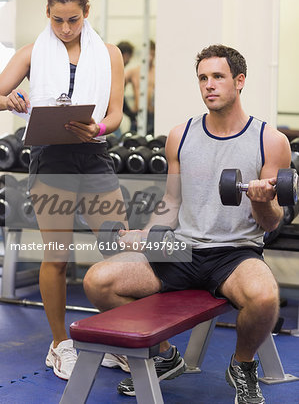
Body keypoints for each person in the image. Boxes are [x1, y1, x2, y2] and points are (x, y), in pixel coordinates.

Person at [83, 44, 291, 403]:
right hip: (181, 248)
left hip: (235, 253)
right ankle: (165, 357)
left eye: (218, 77)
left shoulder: (270, 141)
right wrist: (146, 235)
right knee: (97, 281)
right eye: (203, 78)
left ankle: (242, 365)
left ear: (239, 81)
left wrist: (260, 202)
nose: (209, 85)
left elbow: (271, 223)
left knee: (265, 296)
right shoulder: (180, 136)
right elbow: (172, 201)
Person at [0, 0, 127, 380]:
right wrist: (11, 101)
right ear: (48, 13)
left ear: (86, 12)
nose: (65, 28)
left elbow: (116, 115)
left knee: (122, 253)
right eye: (57, 19)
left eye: (73, 19)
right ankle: (60, 345)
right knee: (56, 257)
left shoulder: (109, 54)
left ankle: (123, 340)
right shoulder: (31, 53)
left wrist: (99, 128)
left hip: (93, 158)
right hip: (50, 160)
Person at [125, 40, 155, 134]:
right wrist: (128, 111)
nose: (149, 57)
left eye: (152, 54)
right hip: (137, 114)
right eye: (147, 54)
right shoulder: (133, 72)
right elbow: (117, 87)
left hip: (152, 115)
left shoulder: (157, 72)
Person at [116, 41, 137, 133]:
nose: (130, 60)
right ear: (125, 55)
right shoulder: (115, 70)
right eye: (130, 56)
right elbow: (118, 96)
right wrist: (131, 115)